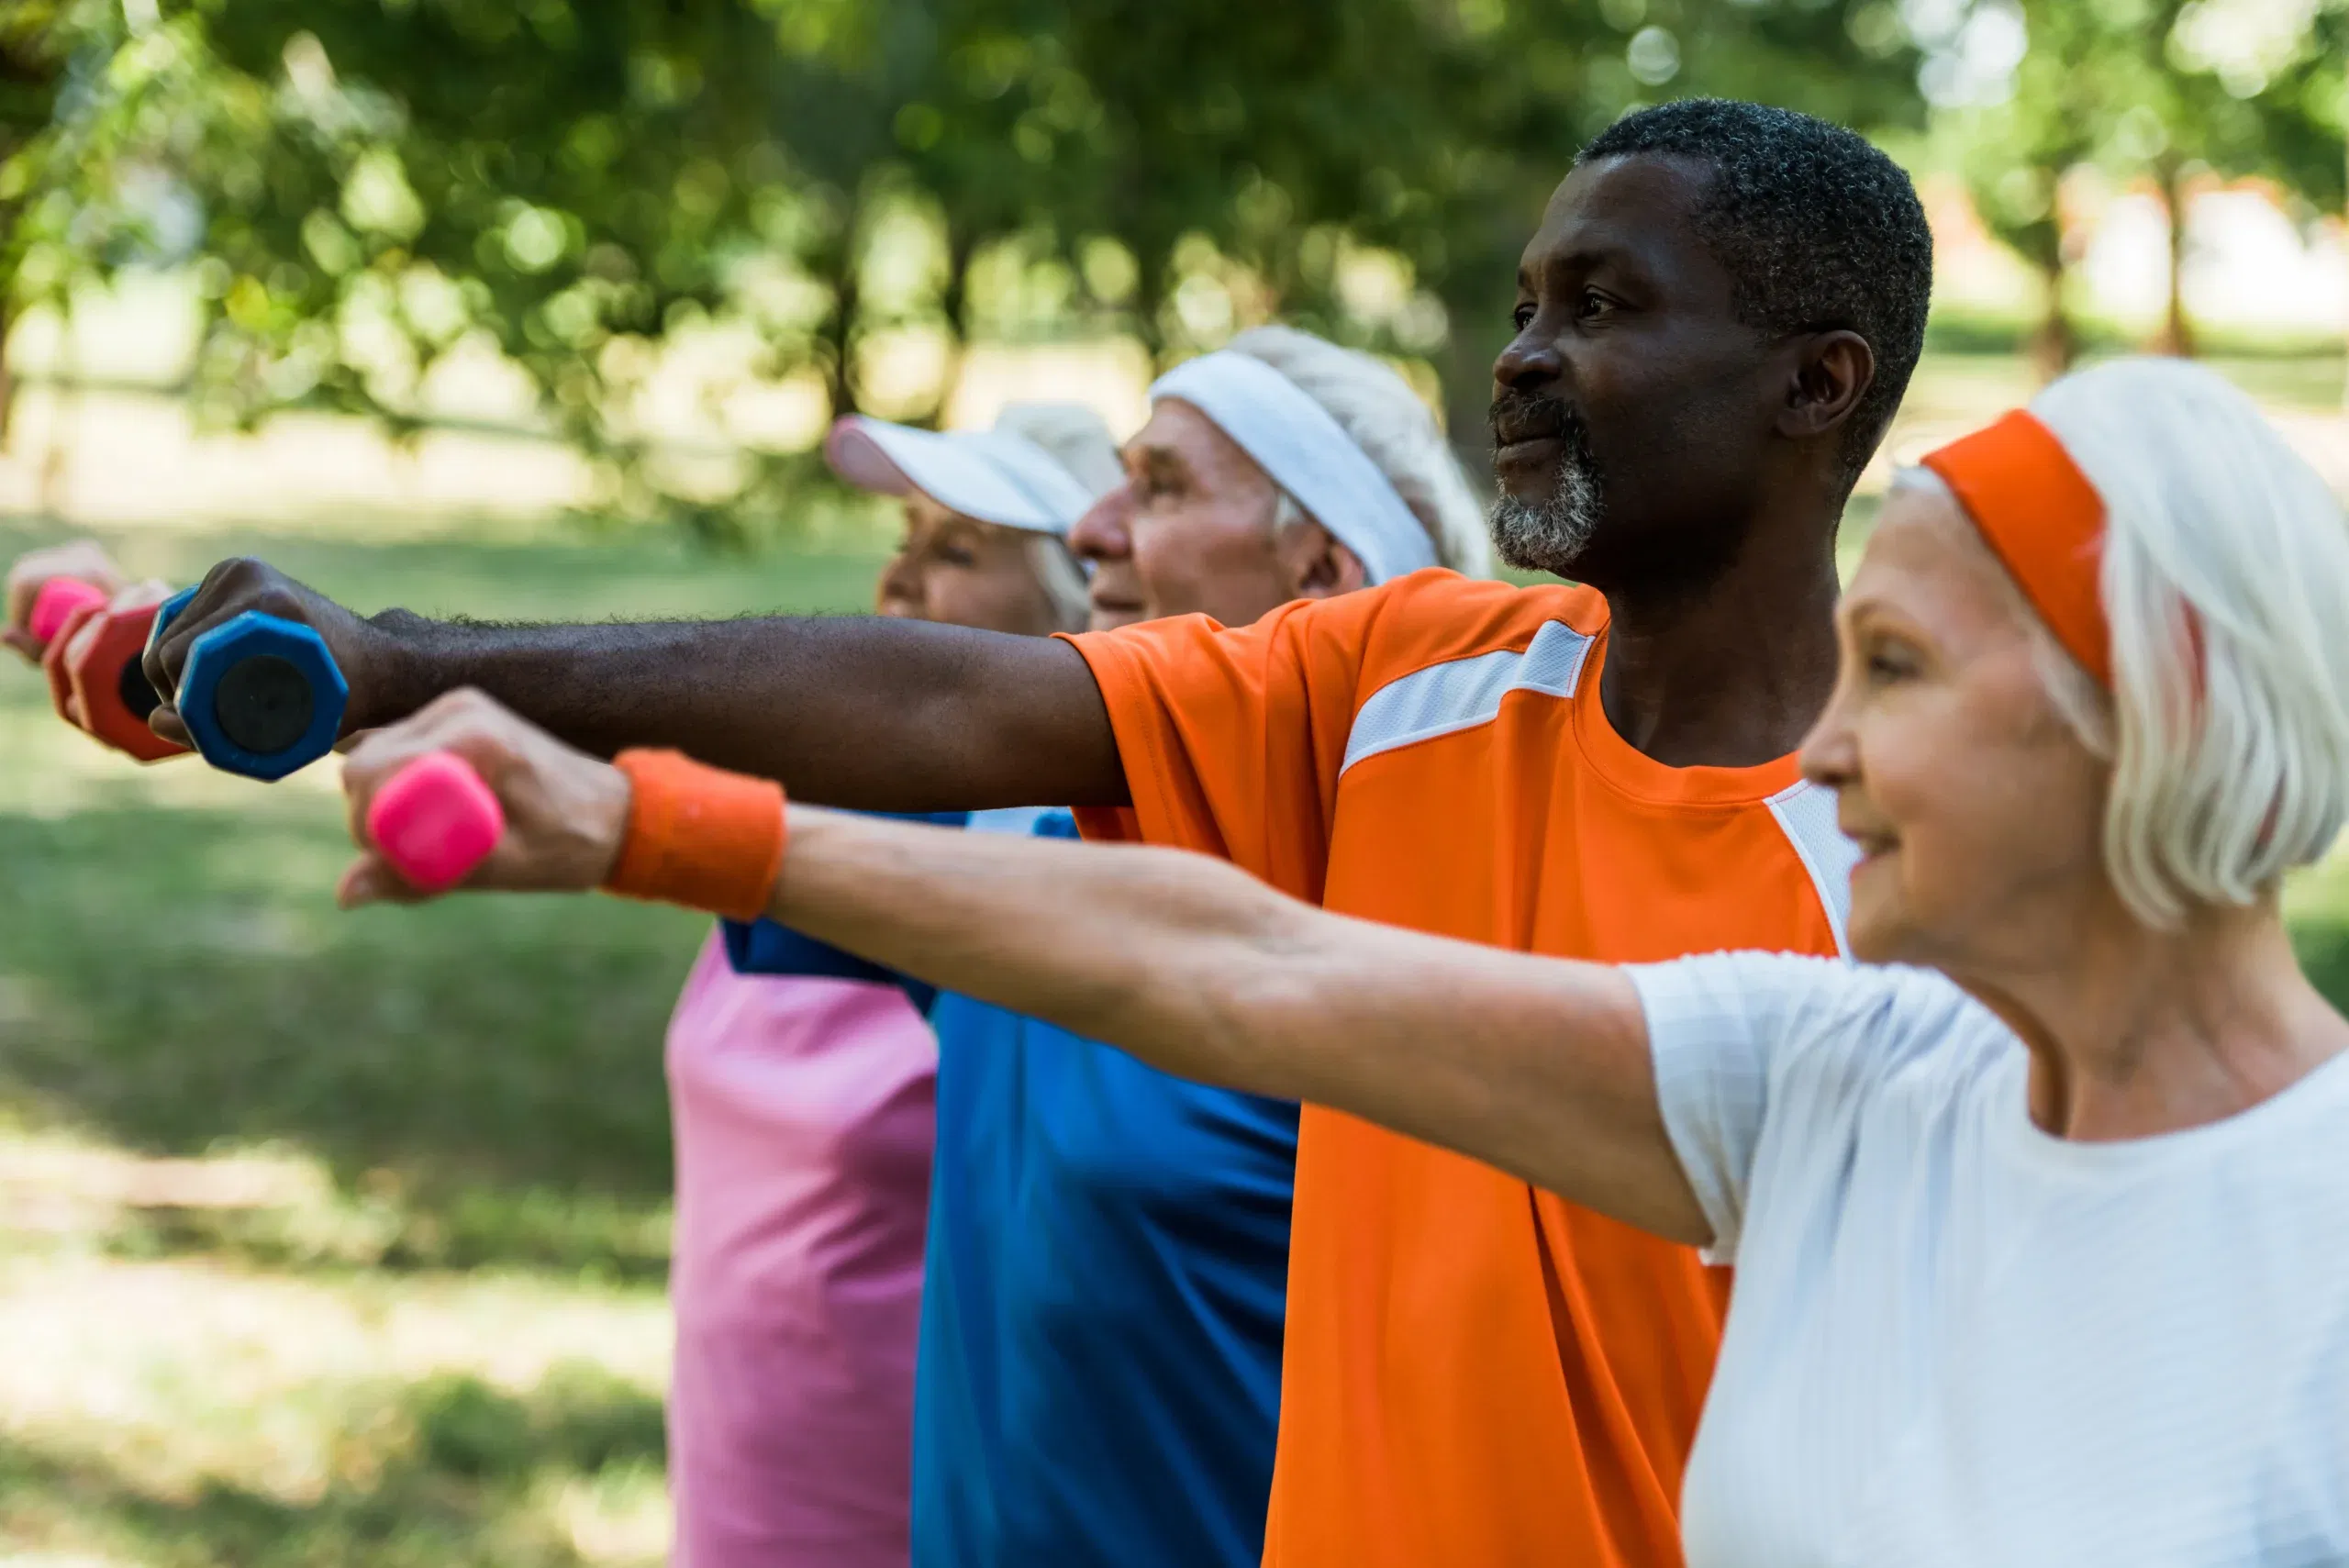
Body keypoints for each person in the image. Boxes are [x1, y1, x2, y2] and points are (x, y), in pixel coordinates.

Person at [150, 99, 1936, 1566]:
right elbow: (952, 703)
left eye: (1602, 309)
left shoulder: (1911, 883)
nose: (1521, 361)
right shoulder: (1417, 674)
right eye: (1526, 303)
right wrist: (399, 657)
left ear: (1812, 384)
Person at [341, 356, 2349, 1567]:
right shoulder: (1837, 1082)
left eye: (1892, 671)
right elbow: (1244, 974)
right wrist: (641, 823)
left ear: (2140, 709)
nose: (1822, 746)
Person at [749, 327, 1485, 1568]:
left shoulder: (1406, 935)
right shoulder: (1017, 822)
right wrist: (402, 670)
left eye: (1160, 488)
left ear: (1321, 570)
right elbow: (749, 749)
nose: (1093, 528)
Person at [660, 400, 1116, 1567]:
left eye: (956, 551)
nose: (899, 576)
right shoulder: (819, 814)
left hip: (913, 1501)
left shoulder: (1050, 881)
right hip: (735, 1483)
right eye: (907, 535)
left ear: (1083, 611)